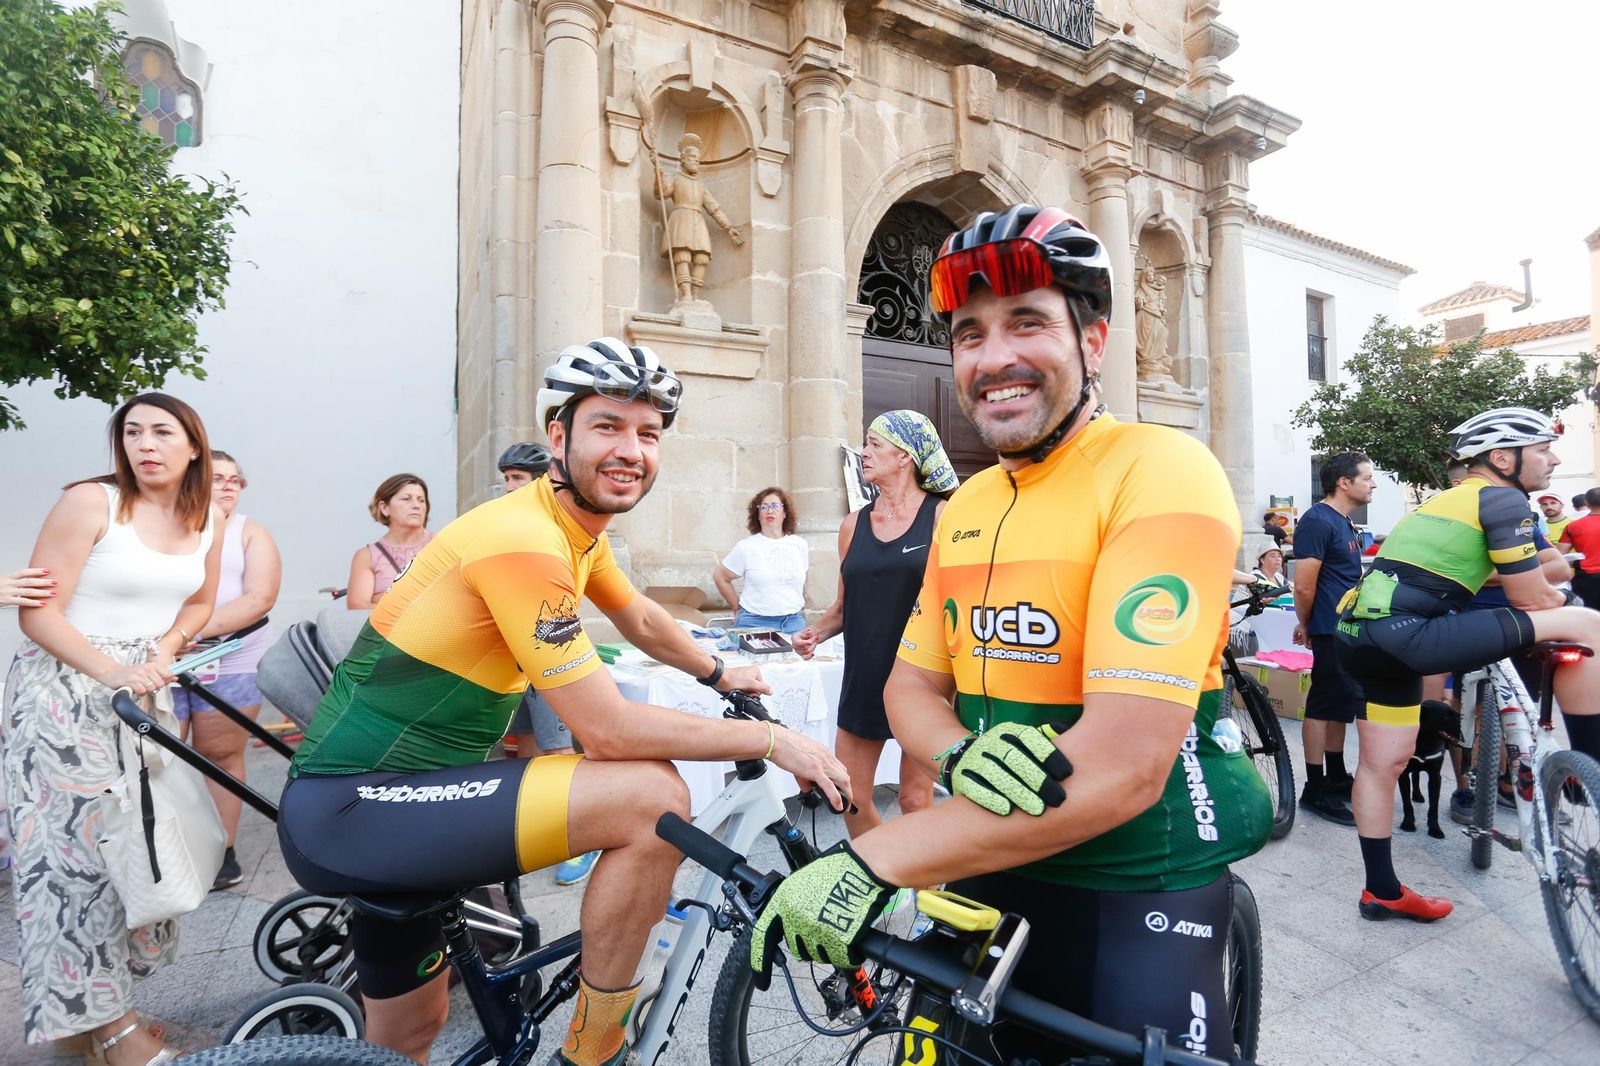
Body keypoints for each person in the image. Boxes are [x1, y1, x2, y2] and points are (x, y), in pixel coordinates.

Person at [749, 205, 1271, 1060]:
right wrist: (956, 755)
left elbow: (1123, 764)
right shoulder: (971, 505)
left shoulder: (1162, 469)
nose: (993, 358)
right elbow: (910, 686)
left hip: (1138, 868)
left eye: (1027, 322)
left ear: (1094, 341)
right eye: (968, 334)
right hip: (990, 853)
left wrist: (876, 861)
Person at [277, 337, 850, 1066]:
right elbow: (606, 730)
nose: (631, 449)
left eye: (648, 433)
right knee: (651, 796)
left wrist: (717, 674)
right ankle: (593, 1047)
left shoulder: (571, 527)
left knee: (407, 1038)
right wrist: (773, 742)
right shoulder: (525, 540)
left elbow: (638, 615)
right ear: (560, 437)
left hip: (396, 799)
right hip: (360, 807)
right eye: (608, 426)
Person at [3, 393, 222, 1065]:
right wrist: (114, 671)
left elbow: (202, 600)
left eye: (162, 432)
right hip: (62, 697)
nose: (145, 444)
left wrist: (163, 650)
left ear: (193, 447)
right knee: (73, 865)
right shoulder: (91, 503)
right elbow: (39, 614)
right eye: (132, 432)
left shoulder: (205, 516)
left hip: (141, 699)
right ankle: (116, 1030)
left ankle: (81, 1022)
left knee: (141, 855)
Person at [1338, 408, 1600, 922]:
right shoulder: (1503, 499)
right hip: (1410, 635)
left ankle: (1382, 891)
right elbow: (1535, 600)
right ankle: (1590, 775)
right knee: (1586, 622)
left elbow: (1462, 575)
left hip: (1360, 632)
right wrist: (1561, 592)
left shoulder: (1445, 501)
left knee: (1380, 764)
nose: (1554, 459)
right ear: (1503, 458)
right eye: (1543, 449)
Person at [791, 411, 958, 838]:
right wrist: (816, 631)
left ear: (905, 456)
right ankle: (886, 878)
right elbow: (844, 607)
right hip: (864, 675)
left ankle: (930, 897)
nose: (863, 453)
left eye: (873, 445)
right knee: (850, 795)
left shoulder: (943, 518)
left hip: (923, 679)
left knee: (915, 798)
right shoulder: (852, 525)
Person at [170, 449, 280, 890]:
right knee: (159, 759)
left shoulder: (249, 532)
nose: (230, 486)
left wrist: (188, 633)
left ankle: (221, 851)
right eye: (218, 478)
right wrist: (171, 643)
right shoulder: (167, 529)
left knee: (221, 755)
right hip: (163, 660)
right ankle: (162, 850)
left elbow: (259, 597)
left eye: (236, 479)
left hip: (232, 656)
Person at [496, 441, 597, 887]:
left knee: (559, 751)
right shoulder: (508, 524)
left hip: (546, 658)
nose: (509, 487)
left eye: (517, 478)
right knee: (528, 748)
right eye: (506, 479)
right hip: (509, 661)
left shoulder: (554, 530)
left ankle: (587, 840)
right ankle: (540, 831)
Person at [1290, 452, 1374, 825]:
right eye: (1367, 478)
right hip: (1328, 624)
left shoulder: (1343, 521)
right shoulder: (1316, 520)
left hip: (1346, 625)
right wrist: (1306, 623)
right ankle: (1314, 787)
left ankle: (1337, 774)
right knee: (1323, 705)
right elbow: (1304, 585)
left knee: (1340, 703)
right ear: (1344, 482)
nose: (1372, 484)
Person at [714, 487, 809, 634]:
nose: (769, 511)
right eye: (764, 507)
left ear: (785, 513)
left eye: (775, 506)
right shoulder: (746, 546)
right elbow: (720, 576)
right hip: (754, 623)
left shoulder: (799, 545)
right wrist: (736, 608)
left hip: (794, 623)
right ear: (758, 515)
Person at [346, 473, 432, 609]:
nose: (416, 505)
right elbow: (358, 608)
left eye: (421, 500)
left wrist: (384, 602)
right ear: (384, 508)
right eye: (406, 499)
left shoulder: (442, 545)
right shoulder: (367, 556)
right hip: (390, 630)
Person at [1558, 486, 1600, 610]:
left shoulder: (1573, 526)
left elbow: (1560, 556)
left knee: (1590, 620)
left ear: (1586, 503)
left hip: (1586, 581)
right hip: (1586, 579)